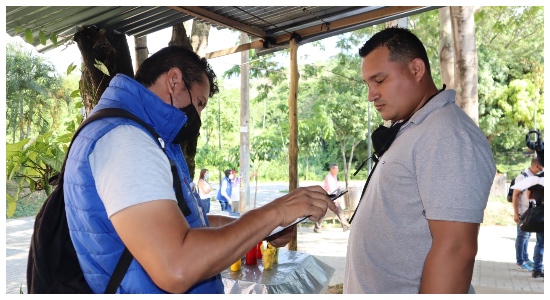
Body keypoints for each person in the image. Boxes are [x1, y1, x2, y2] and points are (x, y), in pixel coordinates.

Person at [63, 45, 337, 294]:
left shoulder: (142, 136)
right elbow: (177, 267)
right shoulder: (127, 141)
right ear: (174, 81)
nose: (199, 115)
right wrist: (276, 211)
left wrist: (264, 228)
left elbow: (194, 223)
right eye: (200, 103)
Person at [344, 27, 496, 294]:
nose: (371, 95)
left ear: (416, 70)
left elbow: (456, 250)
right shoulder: (415, 127)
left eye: (379, 80)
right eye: (367, 84)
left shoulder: (447, 135)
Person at [511, 156, 543, 273]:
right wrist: (516, 213)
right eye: (542, 167)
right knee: (522, 236)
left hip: (530, 213)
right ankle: (519, 262)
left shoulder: (533, 177)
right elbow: (515, 195)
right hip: (522, 212)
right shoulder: (522, 177)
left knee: (527, 236)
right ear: (537, 166)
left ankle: (525, 258)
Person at [314, 164, 351, 233]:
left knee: (334, 212)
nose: (338, 170)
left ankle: (317, 228)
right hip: (329, 197)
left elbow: (335, 188)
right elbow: (331, 190)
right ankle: (345, 226)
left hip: (330, 197)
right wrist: (336, 199)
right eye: (336, 169)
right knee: (338, 212)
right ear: (332, 169)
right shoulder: (329, 178)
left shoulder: (334, 177)